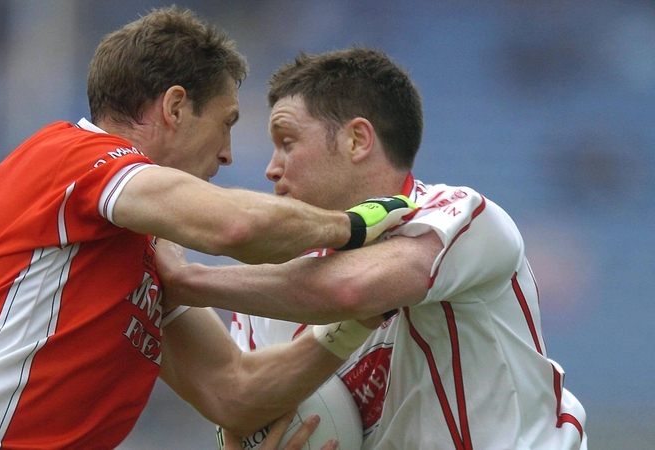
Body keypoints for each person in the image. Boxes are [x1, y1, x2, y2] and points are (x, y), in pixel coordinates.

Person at [0, 8, 409, 450]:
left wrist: (360, 318)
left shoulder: (145, 247)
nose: (227, 153)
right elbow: (234, 226)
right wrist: (355, 226)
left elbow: (232, 391)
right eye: (225, 123)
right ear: (176, 107)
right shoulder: (66, 156)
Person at [156, 47, 588, 449]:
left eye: (287, 142)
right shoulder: (264, 295)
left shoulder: (461, 217)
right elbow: (241, 404)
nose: (271, 169)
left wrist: (187, 280)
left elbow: (351, 290)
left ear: (357, 141)